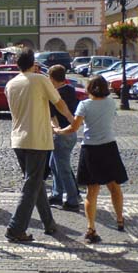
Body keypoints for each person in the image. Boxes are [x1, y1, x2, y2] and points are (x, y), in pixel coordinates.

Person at [4, 49, 74, 243]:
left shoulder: (10, 84)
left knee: (35, 183)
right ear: (33, 63)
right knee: (31, 185)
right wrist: (71, 119)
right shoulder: (40, 79)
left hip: (18, 139)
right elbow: (59, 103)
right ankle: (15, 228)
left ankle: (49, 223)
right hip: (37, 139)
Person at [53, 75, 128, 244]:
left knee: (92, 191)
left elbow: (74, 127)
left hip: (91, 149)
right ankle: (120, 219)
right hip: (109, 147)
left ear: (89, 89)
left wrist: (58, 131)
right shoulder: (111, 103)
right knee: (114, 186)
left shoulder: (85, 105)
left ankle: (91, 228)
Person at [47, 65, 80, 211]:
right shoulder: (70, 89)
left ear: (51, 78)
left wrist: (56, 130)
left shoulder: (54, 95)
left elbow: (53, 116)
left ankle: (72, 199)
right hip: (72, 133)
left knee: (63, 168)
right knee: (54, 164)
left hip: (61, 134)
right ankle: (56, 194)